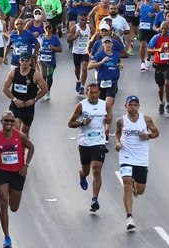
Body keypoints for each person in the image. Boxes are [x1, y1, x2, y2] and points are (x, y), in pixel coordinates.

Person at [0, 110, 36, 248]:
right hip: (2, 173)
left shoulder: (20, 136)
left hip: (17, 174)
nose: (9, 123)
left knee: (14, 207)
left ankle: (12, 201)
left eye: (12, 121)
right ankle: (7, 237)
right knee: (3, 203)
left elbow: (32, 148)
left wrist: (26, 165)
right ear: (1, 122)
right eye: (6, 120)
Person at [115, 95, 159, 231]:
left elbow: (156, 132)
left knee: (140, 190)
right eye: (130, 105)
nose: (132, 107)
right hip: (126, 156)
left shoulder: (146, 119)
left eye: (135, 105)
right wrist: (117, 143)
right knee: (127, 183)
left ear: (138, 107)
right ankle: (129, 217)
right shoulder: (121, 121)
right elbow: (117, 133)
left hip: (141, 158)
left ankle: (136, 187)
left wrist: (148, 136)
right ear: (126, 106)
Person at [67, 82, 110, 213]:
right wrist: (82, 123)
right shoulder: (81, 106)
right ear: (87, 93)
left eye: (96, 92)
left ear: (99, 93)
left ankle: (94, 199)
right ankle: (82, 175)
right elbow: (70, 123)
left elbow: (108, 119)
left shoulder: (104, 105)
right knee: (86, 171)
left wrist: (107, 123)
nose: (93, 95)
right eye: (91, 92)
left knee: (96, 169)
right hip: (85, 142)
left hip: (99, 141)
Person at [2, 52, 49, 137]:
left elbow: (45, 88)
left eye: (27, 60)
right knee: (16, 130)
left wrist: (34, 99)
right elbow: (5, 89)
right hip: (16, 106)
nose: (25, 62)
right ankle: (15, 149)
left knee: (24, 133)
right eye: (22, 60)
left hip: (28, 107)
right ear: (19, 61)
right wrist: (15, 99)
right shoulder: (13, 73)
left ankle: (22, 150)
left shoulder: (35, 74)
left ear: (30, 61)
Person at [88, 36, 123, 143]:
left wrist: (120, 65)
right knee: (100, 107)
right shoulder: (99, 54)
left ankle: (106, 132)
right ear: (103, 44)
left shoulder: (116, 54)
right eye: (105, 43)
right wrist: (101, 62)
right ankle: (99, 128)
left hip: (112, 82)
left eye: (109, 43)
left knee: (108, 106)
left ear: (112, 44)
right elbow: (90, 66)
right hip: (101, 83)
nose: (107, 45)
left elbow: (120, 62)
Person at [148, 22, 169, 114]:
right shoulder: (156, 38)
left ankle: (168, 104)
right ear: (160, 29)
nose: (164, 30)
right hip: (159, 64)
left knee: (167, 83)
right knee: (160, 87)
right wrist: (157, 50)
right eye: (162, 28)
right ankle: (161, 102)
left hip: (168, 64)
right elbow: (149, 49)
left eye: (166, 29)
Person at [67, 11, 93, 94]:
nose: (84, 22)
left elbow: (95, 37)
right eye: (82, 20)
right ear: (79, 19)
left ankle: (82, 86)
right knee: (77, 69)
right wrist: (76, 36)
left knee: (85, 68)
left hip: (85, 51)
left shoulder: (89, 27)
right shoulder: (75, 28)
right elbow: (68, 40)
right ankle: (78, 80)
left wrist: (92, 38)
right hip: (76, 51)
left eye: (85, 20)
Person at [37, 22, 62, 99]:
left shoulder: (55, 38)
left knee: (49, 76)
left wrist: (53, 48)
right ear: (44, 29)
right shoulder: (40, 37)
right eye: (46, 28)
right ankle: (43, 91)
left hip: (51, 61)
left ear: (52, 28)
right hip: (42, 61)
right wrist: (37, 53)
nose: (48, 29)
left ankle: (48, 92)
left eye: (49, 27)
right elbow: (36, 46)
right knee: (43, 76)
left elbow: (60, 49)